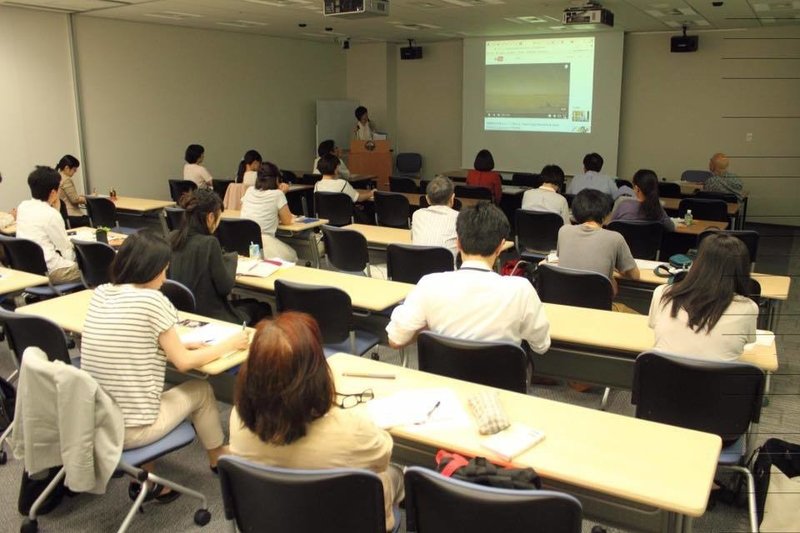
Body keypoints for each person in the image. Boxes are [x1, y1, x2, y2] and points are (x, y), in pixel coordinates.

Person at [81, 230, 248, 502]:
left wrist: (182, 344)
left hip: (95, 419)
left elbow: (132, 337)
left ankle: (148, 481)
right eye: (163, 271)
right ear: (150, 270)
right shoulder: (153, 301)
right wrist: (230, 344)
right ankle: (218, 458)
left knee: (139, 387)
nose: (166, 278)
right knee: (201, 389)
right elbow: (183, 363)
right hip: (131, 430)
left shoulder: (101, 293)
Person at [230, 312, 403, 532]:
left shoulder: (237, 419)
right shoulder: (350, 431)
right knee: (393, 475)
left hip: (274, 517)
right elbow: (383, 456)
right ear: (316, 374)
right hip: (340, 520)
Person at [387, 202, 551, 355]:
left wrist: (428, 325)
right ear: (501, 246)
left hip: (445, 382)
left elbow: (395, 340)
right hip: (499, 384)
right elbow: (541, 346)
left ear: (457, 242)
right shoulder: (521, 289)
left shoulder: (428, 284)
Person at [648, 232, 757, 360]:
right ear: (742, 271)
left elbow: (654, 326)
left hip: (664, 378)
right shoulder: (748, 308)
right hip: (717, 379)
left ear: (697, 262)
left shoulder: (663, 293)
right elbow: (748, 343)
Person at [169, 189, 269, 325]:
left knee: (249, 304)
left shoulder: (172, 237)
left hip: (182, 314)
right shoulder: (209, 243)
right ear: (210, 217)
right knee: (261, 307)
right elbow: (225, 286)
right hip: (210, 317)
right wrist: (232, 258)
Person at [556, 188, 640, 299]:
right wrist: (611, 271)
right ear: (605, 215)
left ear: (575, 213)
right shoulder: (615, 238)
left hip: (563, 304)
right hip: (599, 309)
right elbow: (635, 276)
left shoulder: (564, 231)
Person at [15, 166, 81, 284]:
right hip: (53, 272)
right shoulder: (51, 215)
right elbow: (66, 252)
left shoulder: (23, 207)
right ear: (53, 192)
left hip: (29, 269)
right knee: (99, 267)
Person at [240, 162, 299, 262]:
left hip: (244, 241)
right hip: (265, 243)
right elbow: (287, 221)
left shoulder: (249, 190)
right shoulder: (277, 194)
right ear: (276, 179)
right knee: (292, 256)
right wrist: (282, 193)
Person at [610, 169, 675, 231]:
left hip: (624, 242)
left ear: (636, 188)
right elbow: (671, 228)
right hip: (650, 242)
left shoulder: (623, 205)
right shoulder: (657, 208)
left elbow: (611, 225)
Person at [411, 175, 458, 257]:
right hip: (447, 269)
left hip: (418, 267)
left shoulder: (417, 215)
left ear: (427, 199)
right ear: (452, 198)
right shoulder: (460, 218)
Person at [56, 154, 89, 227]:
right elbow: (74, 200)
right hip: (71, 215)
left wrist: (81, 197)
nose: (75, 171)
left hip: (62, 215)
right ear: (67, 168)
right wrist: (89, 199)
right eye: (74, 169)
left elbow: (65, 197)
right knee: (94, 221)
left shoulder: (56, 177)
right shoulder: (66, 179)